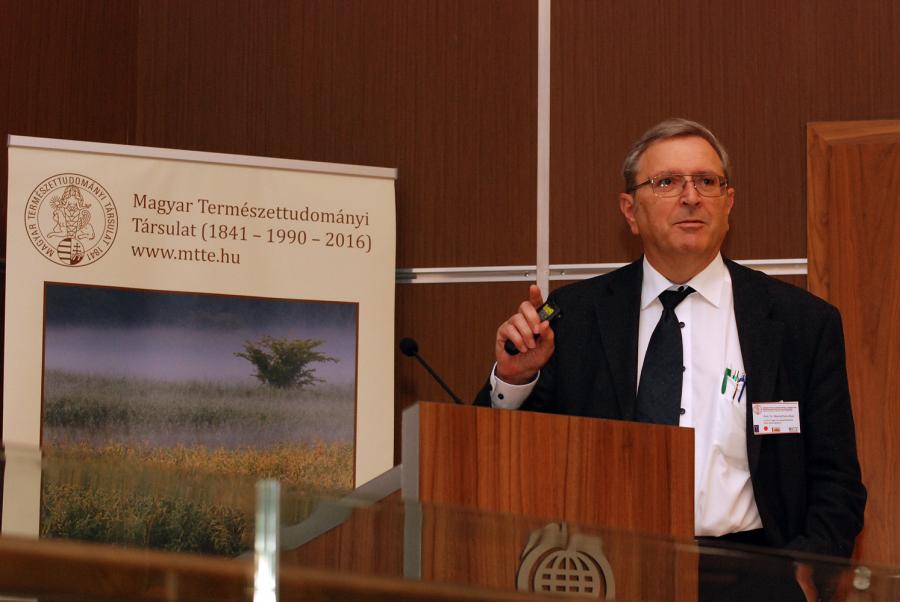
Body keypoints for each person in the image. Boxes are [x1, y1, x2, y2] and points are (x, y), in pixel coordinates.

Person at [475, 118, 866, 598]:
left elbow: (837, 479)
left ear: (728, 203)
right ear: (630, 210)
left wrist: (806, 573)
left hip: (756, 576)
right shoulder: (573, 318)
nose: (691, 197)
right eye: (666, 182)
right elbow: (508, 461)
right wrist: (515, 378)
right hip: (606, 572)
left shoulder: (800, 323)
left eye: (707, 181)